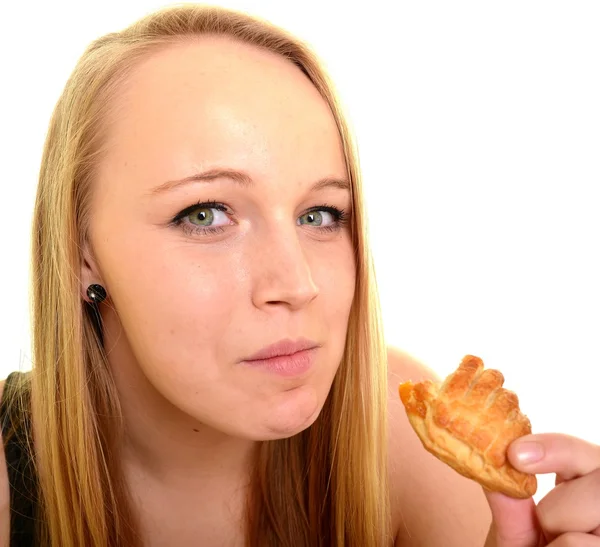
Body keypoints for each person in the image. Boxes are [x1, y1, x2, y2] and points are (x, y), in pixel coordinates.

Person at [1, 4, 599, 546]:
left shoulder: (396, 429)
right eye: (205, 214)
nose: (296, 283)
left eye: (321, 214)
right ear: (82, 252)